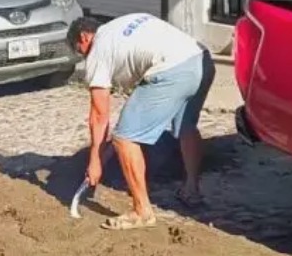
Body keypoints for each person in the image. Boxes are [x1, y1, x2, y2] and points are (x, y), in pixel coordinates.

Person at [69, 13, 216, 230]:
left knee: (125, 138)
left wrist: (95, 161)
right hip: (202, 60)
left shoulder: (97, 51)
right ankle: (191, 189)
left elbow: (100, 116)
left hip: (172, 71)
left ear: (83, 37)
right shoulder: (125, 22)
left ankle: (142, 212)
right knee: (186, 126)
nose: (82, 56)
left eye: (78, 50)